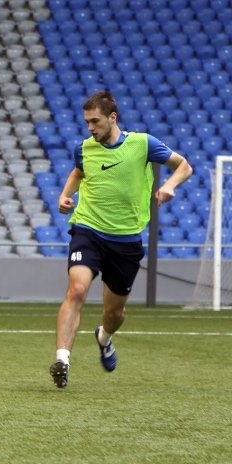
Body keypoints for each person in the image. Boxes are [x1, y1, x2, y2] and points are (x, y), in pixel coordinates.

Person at [49, 90, 193, 389]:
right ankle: (62, 360)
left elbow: (184, 166)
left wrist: (170, 185)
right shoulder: (84, 148)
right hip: (88, 230)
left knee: (114, 313)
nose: (90, 127)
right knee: (76, 290)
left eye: (95, 121)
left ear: (112, 118)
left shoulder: (143, 143)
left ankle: (104, 337)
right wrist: (65, 196)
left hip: (126, 240)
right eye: (87, 122)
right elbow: (78, 172)